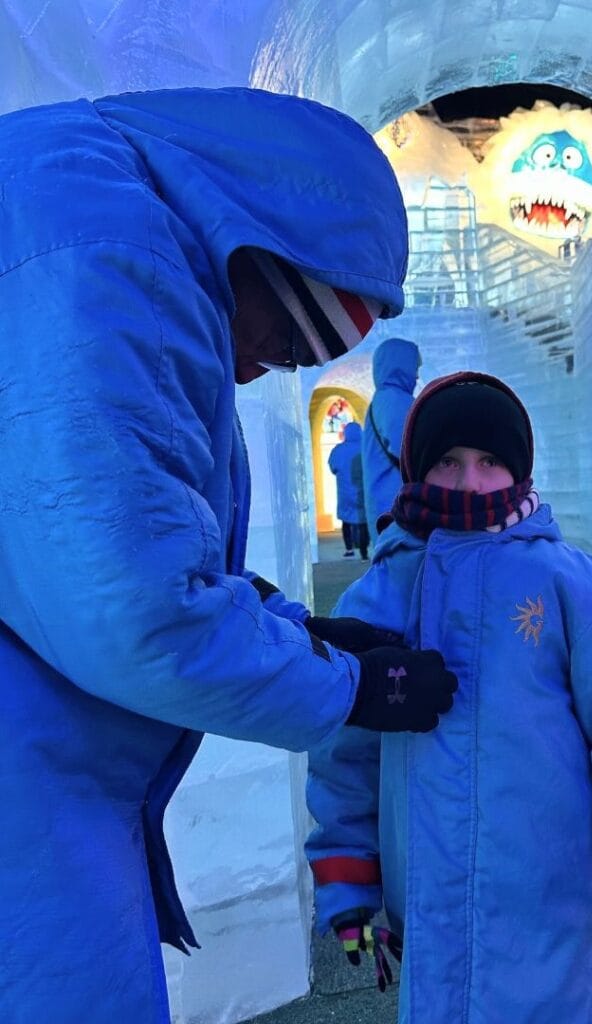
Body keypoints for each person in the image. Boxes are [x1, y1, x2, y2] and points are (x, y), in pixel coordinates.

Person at [0, 86, 459, 1023]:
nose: (259, 368)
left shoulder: (77, 209)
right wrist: (347, 686)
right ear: (261, 258)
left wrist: (295, 629)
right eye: (286, 341)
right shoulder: (115, 258)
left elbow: (68, 540)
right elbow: (135, 608)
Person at [306, 372, 592, 1023]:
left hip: (552, 902)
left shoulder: (577, 589)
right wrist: (348, 885)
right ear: (417, 468)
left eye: (489, 460)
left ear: (518, 469)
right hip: (427, 907)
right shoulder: (377, 597)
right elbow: (344, 758)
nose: (469, 481)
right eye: (447, 460)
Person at [361, 336, 420, 540]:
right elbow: (409, 451)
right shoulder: (395, 400)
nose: (417, 375)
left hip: (385, 500)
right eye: (414, 367)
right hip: (397, 503)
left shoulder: (383, 399)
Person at [328, 421, 370, 559]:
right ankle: (364, 552)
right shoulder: (366, 447)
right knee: (363, 520)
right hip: (363, 491)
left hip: (345, 491)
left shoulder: (338, 450)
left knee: (346, 520)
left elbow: (333, 468)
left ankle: (349, 549)